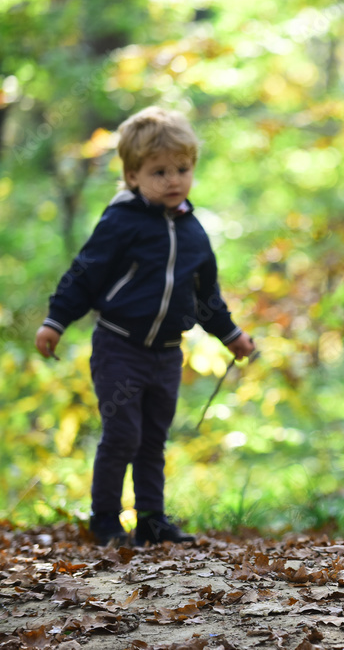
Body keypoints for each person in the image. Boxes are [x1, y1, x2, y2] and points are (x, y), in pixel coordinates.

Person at [34, 107, 255, 547]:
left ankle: (152, 519)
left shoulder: (194, 231)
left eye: (182, 169)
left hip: (168, 353)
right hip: (120, 347)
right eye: (159, 172)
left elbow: (206, 296)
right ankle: (106, 521)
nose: (173, 180)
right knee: (123, 434)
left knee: (154, 437)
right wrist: (55, 320)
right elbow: (85, 274)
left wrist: (232, 336)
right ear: (133, 176)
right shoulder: (121, 222)